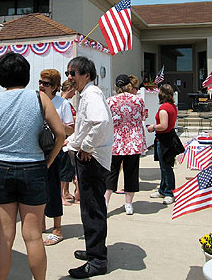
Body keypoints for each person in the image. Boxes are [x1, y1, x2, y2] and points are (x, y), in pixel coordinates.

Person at [0, 52, 65, 280]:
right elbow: (61, 133)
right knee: (33, 235)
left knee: (3, 237)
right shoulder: (39, 98)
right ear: (26, 74)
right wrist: (49, 160)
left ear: (0, 76)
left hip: (1, 167)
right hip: (34, 168)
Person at [66, 56, 114, 278]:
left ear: (86, 74)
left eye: (73, 73)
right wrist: (71, 143)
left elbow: (101, 122)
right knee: (89, 207)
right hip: (89, 158)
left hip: (92, 160)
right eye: (68, 73)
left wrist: (85, 146)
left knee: (92, 209)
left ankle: (97, 261)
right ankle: (94, 250)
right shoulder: (86, 94)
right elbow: (85, 126)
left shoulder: (92, 94)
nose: (69, 78)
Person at [39, 69, 74, 245]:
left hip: (54, 150)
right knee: (38, 189)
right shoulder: (35, 101)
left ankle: (57, 228)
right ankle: (41, 223)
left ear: (54, 87)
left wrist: (54, 122)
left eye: (45, 83)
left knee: (53, 189)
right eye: (40, 82)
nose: (41, 86)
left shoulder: (62, 104)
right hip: (37, 150)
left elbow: (70, 129)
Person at [105, 74, 147, 215]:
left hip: (115, 140)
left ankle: (105, 202)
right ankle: (128, 204)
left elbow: (107, 119)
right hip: (133, 140)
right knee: (131, 172)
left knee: (111, 172)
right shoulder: (138, 100)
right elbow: (142, 117)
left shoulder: (110, 101)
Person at [147, 84, 184, 205]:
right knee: (164, 166)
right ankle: (162, 190)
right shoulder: (172, 106)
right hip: (169, 138)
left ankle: (169, 192)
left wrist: (152, 127)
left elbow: (163, 125)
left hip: (164, 140)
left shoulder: (164, 108)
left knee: (166, 167)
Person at [60, 80, 78, 205]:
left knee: (68, 167)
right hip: (66, 137)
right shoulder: (65, 103)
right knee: (65, 167)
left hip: (68, 137)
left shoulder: (62, 102)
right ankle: (62, 194)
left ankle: (66, 192)